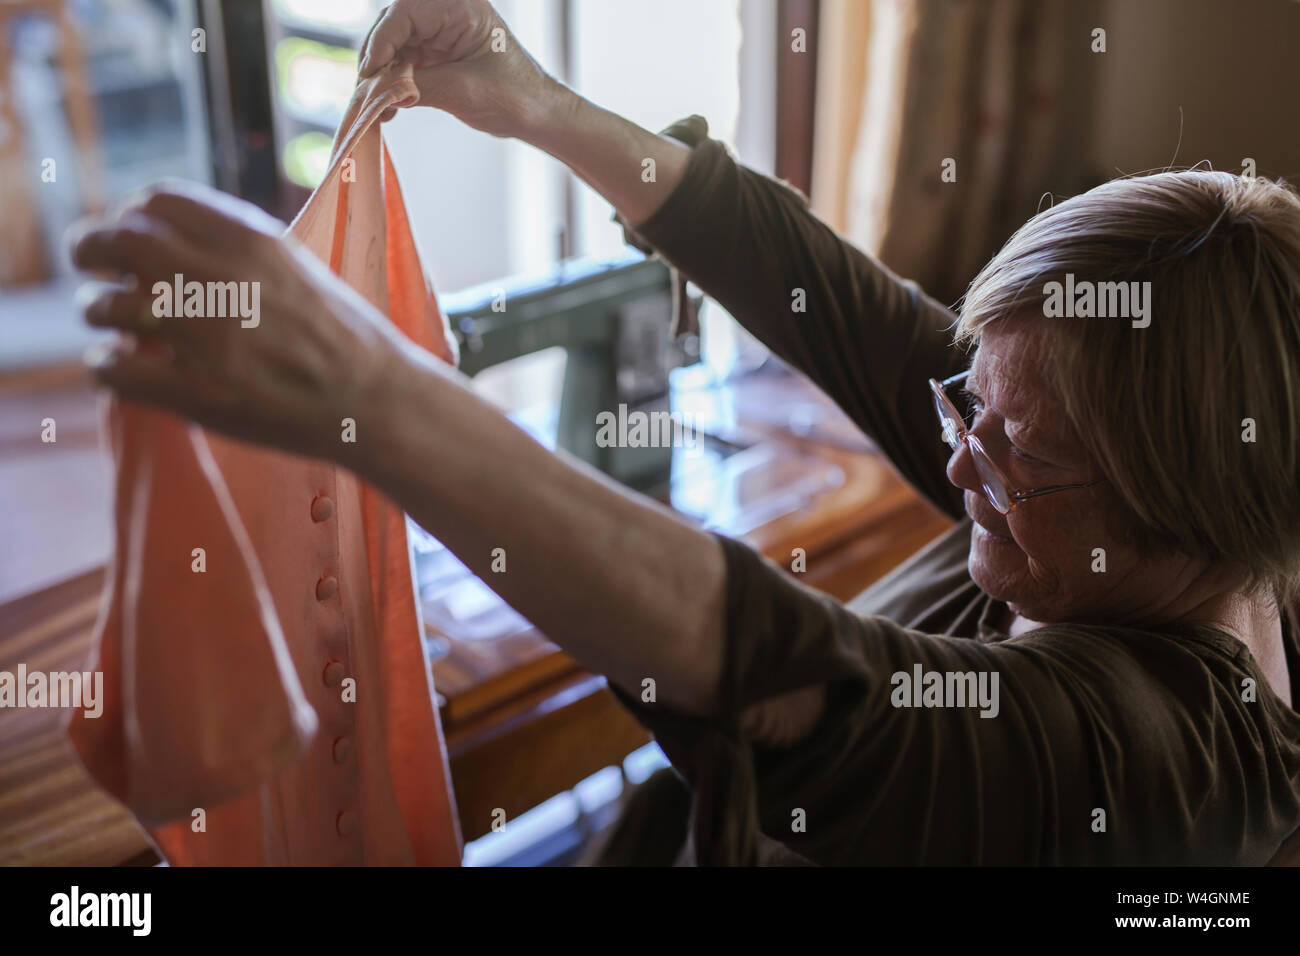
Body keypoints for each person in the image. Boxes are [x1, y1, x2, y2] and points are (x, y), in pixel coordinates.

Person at [70, 0, 1300, 865]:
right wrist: (536, 103)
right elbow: (832, 295)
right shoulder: (1075, 495)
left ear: (1186, 503)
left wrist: (368, 391)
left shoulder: (1159, 766)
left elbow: (811, 687)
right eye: (968, 392)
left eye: (1015, 447)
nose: (963, 443)